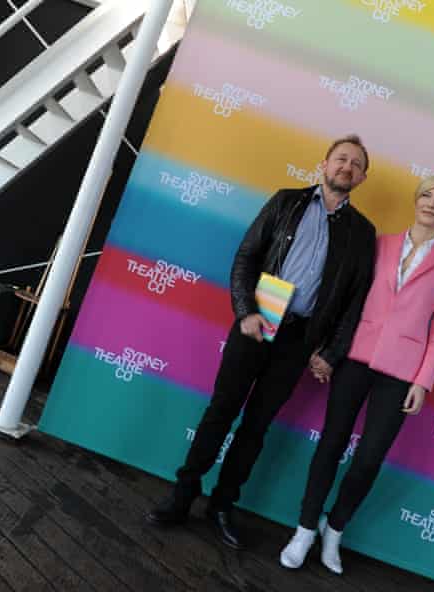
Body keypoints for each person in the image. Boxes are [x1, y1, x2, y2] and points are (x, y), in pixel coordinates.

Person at [145, 135, 377, 550]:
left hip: (299, 340)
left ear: (361, 178)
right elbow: (246, 257)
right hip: (256, 322)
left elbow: (354, 303)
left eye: (356, 164)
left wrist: (331, 351)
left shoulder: (363, 233)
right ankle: (182, 495)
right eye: (341, 159)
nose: (346, 167)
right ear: (324, 163)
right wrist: (243, 310)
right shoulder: (286, 201)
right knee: (221, 411)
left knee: (256, 426)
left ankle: (222, 504)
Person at [279, 174, 434, 574]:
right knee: (331, 444)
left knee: (369, 458)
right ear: (417, 201)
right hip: (354, 357)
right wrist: (329, 349)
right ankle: (305, 528)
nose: (432, 204)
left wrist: (422, 381)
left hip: (402, 371)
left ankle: (335, 530)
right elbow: (349, 299)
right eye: (427, 196)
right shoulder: (381, 245)